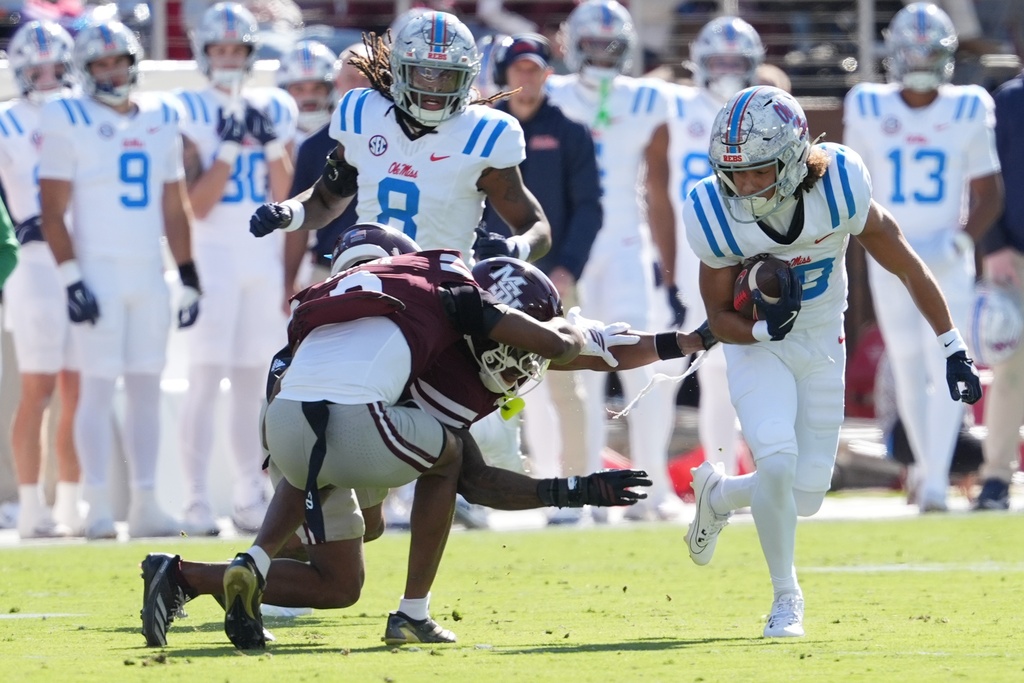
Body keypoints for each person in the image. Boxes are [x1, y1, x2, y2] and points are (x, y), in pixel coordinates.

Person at [140, 238, 708, 649]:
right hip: (352, 425)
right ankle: (412, 611)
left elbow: (583, 345)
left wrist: (681, 340)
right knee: (444, 461)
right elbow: (480, 474)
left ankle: (203, 571)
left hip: (287, 429)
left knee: (340, 578)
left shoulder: (353, 299)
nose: (524, 366)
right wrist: (573, 488)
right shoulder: (450, 309)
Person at [682, 85, 983, 638]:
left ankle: (719, 494)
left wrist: (952, 345)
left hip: (823, 342)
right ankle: (785, 598)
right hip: (758, 345)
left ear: (795, 158)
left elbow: (908, 266)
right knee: (776, 460)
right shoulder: (714, 211)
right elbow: (717, 316)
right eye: (736, 173)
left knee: (806, 495)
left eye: (758, 171)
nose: (744, 185)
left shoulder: (840, 187)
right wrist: (759, 327)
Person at [38, 19, 202, 540]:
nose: (111, 71)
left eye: (118, 61)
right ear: (85, 71)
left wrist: (189, 272)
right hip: (99, 271)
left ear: (133, 64)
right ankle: (97, 504)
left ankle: (148, 501)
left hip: (149, 272)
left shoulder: (160, 115)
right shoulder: (67, 117)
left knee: (147, 387)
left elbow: (174, 205)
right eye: (100, 63)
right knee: (97, 388)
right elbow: (51, 210)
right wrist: (70, 278)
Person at [843, 2, 1003, 512]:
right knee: (908, 364)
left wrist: (960, 242)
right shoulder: (867, 104)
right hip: (889, 252)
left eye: (926, 52)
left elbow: (989, 191)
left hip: (945, 257)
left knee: (948, 362)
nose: (917, 61)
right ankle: (924, 471)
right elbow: (851, 186)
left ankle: (934, 479)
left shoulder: (968, 106)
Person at [248, 10, 552, 267]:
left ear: (467, 77)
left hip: (444, 291)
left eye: (447, 75)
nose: (434, 88)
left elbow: (535, 225)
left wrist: (514, 249)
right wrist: (288, 212)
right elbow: (327, 199)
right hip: (365, 274)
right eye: (424, 73)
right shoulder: (363, 113)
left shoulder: (484, 134)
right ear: (400, 70)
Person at [545, 0, 682, 520]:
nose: (601, 53)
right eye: (592, 43)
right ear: (572, 45)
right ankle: (589, 487)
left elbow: (662, 188)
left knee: (643, 363)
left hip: (627, 240)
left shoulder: (649, 98)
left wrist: (668, 267)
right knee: (579, 368)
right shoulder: (551, 92)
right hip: (574, 245)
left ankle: (651, 486)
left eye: (610, 44)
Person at [175, 1, 298, 536]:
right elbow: (196, 205)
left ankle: (249, 492)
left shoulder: (274, 104)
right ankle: (196, 500)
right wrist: (227, 145)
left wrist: (269, 141)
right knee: (204, 379)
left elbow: (284, 195)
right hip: (213, 256)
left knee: (253, 382)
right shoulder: (187, 108)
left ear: (251, 53)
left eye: (237, 49)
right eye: (219, 49)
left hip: (261, 259)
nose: (228, 58)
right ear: (204, 53)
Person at [479, 33, 601, 494]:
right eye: (518, 69)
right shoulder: (485, 130)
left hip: (555, 278)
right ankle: (496, 483)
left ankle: (576, 483)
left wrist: (567, 265)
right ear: (504, 76)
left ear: (548, 74)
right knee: (488, 380)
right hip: (490, 278)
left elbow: (589, 207)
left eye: (534, 69)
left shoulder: (569, 131)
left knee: (566, 381)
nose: (526, 78)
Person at [665, 15, 765, 479]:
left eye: (736, 60)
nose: (726, 68)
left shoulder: (765, 110)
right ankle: (703, 474)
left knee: (741, 367)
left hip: (747, 249)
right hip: (693, 253)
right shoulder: (671, 102)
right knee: (691, 365)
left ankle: (738, 471)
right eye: (718, 59)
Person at [0, 20, 83, 539]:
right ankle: (31, 505)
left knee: (79, 387)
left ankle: (71, 503)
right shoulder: (6, 120)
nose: (48, 76)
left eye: (56, 67)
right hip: (32, 263)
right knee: (38, 388)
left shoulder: (82, 115)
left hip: (80, 256)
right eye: (39, 68)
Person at [974, 63, 1024, 510]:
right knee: (1009, 372)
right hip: (1015, 258)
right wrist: (993, 245)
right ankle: (996, 478)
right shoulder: (1008, 101)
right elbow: (985, 180)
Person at [284, 42, 370, 292]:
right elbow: (300, 217)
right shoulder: (313, 145)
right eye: (352, 78)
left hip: (392, 265)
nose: (361, 87)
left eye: (368, 79)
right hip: (328, 267)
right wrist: (289, 283)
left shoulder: (407, 139)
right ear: (337, 84)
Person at [275, 39, 338, 150]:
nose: (309, 96)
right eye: (299, 89)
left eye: (318, 88)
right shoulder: (272, 139)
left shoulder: (345, 136)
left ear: (332, 90)